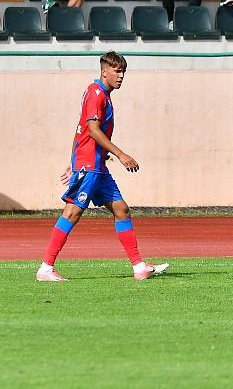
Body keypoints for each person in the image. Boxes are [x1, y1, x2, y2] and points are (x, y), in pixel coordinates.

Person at [36, 52, 169, 282]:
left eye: (123, 72)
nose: (121, 76)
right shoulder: (95, 93)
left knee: (122, 210)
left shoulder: (104, 95)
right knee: (73, 212)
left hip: (95, 165)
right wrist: (120, 154)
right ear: (103, 71)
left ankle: (139, 267)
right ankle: (46, 267)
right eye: (117, 71)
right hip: (89, 166)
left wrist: (73, 162)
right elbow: (92, 130)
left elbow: (79, 130)